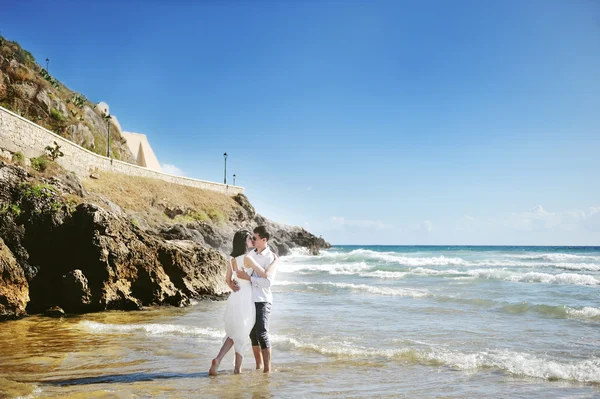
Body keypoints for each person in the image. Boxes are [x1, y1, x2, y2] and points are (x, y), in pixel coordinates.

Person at [209, 229, 277, 376]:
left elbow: (227, 280)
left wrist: (233, 286)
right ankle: (237, 369)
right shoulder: (247, 258)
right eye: (249, 238)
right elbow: (265, 274)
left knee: (234, 333)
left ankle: (219, 359)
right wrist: (275, 261)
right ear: (244, 242)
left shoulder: (232, 259)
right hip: (247, 298)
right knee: (241, 334)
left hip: (235, 298)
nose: (251, 240)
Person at [236, 226, 279, 373]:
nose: (252, 240)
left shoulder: (271, 257)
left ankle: (268, 369)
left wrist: (248, 278)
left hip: (262, 299)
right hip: (249, 299)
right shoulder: (250, 254)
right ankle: (258, 365)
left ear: (264, 240)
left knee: (262, 332)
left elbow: (268, 283)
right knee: (252, 333)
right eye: (252, 238)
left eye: (255, 238)